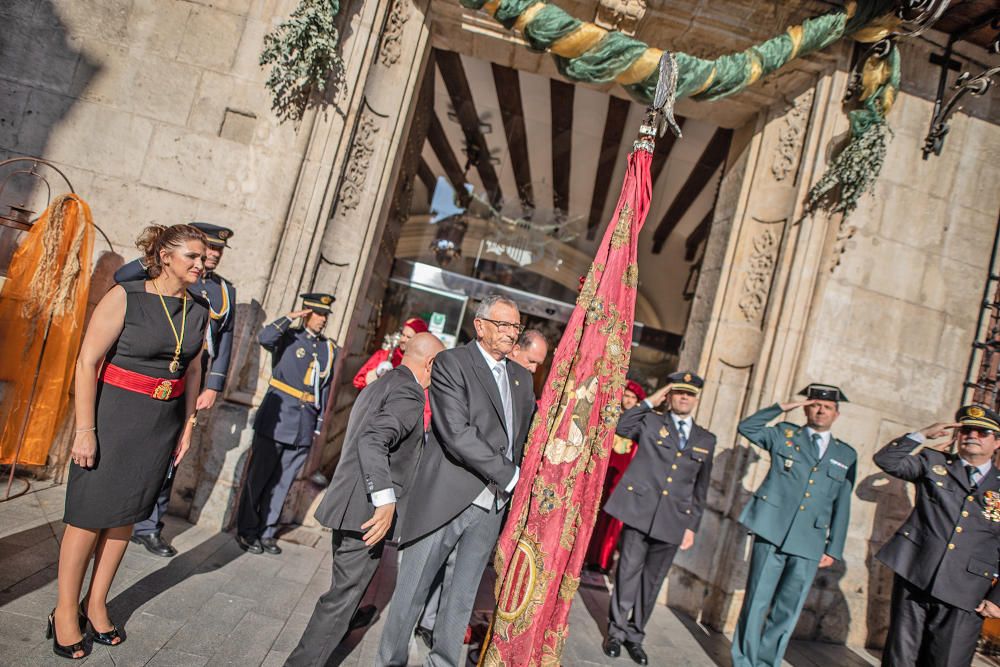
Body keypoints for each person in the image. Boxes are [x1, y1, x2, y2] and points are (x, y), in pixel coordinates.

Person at [52, 224, 209, 659]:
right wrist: (85, 429)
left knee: (126, 515)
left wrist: (188, 423)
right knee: (88, 515)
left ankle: (96, 603)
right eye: (193, 256)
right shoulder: (127, 295)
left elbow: (193, 369)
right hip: (114, 417)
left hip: (161, 424)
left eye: (204, 257)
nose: (202, 264)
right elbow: (87, 362)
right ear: (165, 257)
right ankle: (65, 610)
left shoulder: (199, 308)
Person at [376, 294, 536, 667]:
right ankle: (389, 662)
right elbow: (456, 433)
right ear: (480, 326)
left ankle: (443, 663)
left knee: (461, 600)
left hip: (491, 505)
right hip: (446, 499)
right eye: (504, 324)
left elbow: (524, 437)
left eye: (516, 326)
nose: (512, 333)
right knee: (411, 595)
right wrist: (512, 476)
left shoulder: (522, 378)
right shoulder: (452, 363)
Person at [286, 333, 445, 666]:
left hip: (349, 504)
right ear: (430, 363)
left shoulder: (385, 381)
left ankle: (345, 625)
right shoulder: (410, 393)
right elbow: (373, 440)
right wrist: (385, 501)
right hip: (367, 512)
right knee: (341, 599)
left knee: (345, 592)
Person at [412, 326, 550, 650]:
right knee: (437, 559)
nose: (533, 370)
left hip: (492, 493)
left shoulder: (521, 385)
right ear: (514, 349)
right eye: (531, 361)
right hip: (461, 482)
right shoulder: (473, 370)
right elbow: (463, 432)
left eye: (538, 365)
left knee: (461, 569)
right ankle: (425, 620)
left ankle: (437, 626)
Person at [115, 222, 237, 558]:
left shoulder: (224, 291)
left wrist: (214, 384)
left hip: (192, 373)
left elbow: (225, 340)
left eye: (217, 251)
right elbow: (121, 278)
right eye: (204, 250)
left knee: (172, 452)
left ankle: (149, 525)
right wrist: (159, 252)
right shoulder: (162, 273)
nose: (211, 256)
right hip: (155, 367)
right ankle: (120, 512)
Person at [730, 384, 856, 667]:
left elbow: (842, 503)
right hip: (771, 530)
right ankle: (744, 662)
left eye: (827, 407)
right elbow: (747, 427)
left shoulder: (845, 455)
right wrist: (781, 408)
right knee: (756, 603)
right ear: (806, 408)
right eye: (815, 404)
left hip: (809, 541)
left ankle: (766, 662)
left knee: (788, 610)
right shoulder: (783, 435)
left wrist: (833, 547)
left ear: (837, 414)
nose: (821, 410)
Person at [602, 373, 717, 665]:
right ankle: (615, 632)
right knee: (626, 573)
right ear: (670, 394)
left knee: (652, 583)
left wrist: (692, 526)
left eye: (689, 394)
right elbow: (620, 426)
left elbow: (700, 488)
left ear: (696, 399)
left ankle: (635, 636)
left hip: (673, 521)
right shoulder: (652, 421)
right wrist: (651, 399)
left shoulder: (706, 439)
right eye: (678, 392)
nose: (683, 398)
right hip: (639, 512)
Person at [875, 405, 1000, 666]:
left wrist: (997, 599)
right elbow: (888, 460)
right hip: (917, 574)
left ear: (997, 442)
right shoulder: (934, 463)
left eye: (982, 432)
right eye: (966, 429)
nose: (972, 435)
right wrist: (921, 435)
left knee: (948, 661)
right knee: (901, 658)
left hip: (967, 591)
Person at [235, 293, 337, 555]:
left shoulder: (327, 349)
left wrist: (317, 424)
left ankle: (267, 531)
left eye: (326, 315)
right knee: (258, 479)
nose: (323, 319)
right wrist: (287, 319)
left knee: (283, 481)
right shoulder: (288, 337)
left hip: (303, 424)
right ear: (306, 314)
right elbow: (264, 337)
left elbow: (324, 390)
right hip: (276, 419)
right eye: (318, 314)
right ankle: (247, 529)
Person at [587, 379, 646, 574]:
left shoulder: (640, 424)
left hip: (623, 478)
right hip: (604, 474)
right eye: (626, 396)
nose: (628, 400)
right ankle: (586, 556)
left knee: (613, 523)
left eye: (632, 397)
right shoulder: (612, 416)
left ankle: (603, 561)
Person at [353, 317, 429, 390]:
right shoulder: (383, 355)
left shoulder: (421, 368)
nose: (403, 339)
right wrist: (376, 373)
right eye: (403, 335)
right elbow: (358, 381)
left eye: (408, 337)